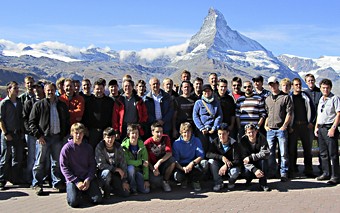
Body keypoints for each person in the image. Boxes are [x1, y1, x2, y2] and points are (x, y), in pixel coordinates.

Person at [29, 82, 70, 195]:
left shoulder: (61, 105)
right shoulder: (39, 105)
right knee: (39, 162)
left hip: (57, 137)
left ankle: (56, 183)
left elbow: (66, 121)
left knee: (56, 162)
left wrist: (63, 134)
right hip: (43, 138)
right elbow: (31, 122)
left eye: (52, 90)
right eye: (48, 90)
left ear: (55, 90)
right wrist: (38, 135)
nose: (50, 92)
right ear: (44, 91)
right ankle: (37, 184)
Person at [59, 123, 102, 207]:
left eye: (81, 133)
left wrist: (88, 179)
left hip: (86, 178)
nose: (78, 135)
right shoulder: (66, 149)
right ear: (72, 133)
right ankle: (75, 192)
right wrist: (76, 182)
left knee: (98, 199)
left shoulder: (88, 148)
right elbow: (64, 167)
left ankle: (84, 192)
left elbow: (92, 165)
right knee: (73, 203)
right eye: (76, 133)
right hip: (73, 179)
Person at [264, 76, 293, 181]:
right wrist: (265, 125)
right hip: (270, 130)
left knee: (283, 152)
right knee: (270, 153)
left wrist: (284, 126)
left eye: (274, 84)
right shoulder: (267, 99)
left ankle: (283, 172)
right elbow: (267, 113)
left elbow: (289, 113)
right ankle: (272, 172)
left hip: (281, 129)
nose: (272, 86)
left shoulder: (285, 97)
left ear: (277, 84)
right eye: (270, 84)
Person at [314, 79, 340, 185]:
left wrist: (333, 128)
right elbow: (319, 115)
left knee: (333, 153)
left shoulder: (335, 98)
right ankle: (326, 173)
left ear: (330, 88)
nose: (325, 89)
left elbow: (339, 114)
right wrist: (316, 127)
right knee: (323, 153)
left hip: (330, 128)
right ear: (320, 88)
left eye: (327, 87)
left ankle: (336, 176)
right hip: (321, 128)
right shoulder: (321, 99)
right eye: (323, 88)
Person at [289, 78, 315, 178]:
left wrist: (311, 122)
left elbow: (312, 109)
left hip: (305, 125)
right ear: (292, 86)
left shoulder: (306, 96)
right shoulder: (290, 97)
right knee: (292, 149)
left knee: (307, 149)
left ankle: (308, 169)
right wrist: (289, 126)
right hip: (294, 126)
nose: (298, 86)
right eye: (296, 85)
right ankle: (293, 169)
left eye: (299, 84)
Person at [0, 81, 25, 190]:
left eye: (17, 88)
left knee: (17, 157)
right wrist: (5, 133)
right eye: (14, 88)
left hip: (18, 133)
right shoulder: (4, 103)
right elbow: (1, 120)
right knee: (5, 157)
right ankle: (1, 179)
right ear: (9, 89)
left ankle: (15, 178)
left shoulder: (19, 102)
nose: (17, 90)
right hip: (8, 133)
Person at [95, 127, 130, 198]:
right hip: (103, 174)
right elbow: (100, 165)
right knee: (107, 173)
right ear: (104, 137)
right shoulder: (99, 147)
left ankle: (114, 189)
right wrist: (116, 169)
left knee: (126, 194)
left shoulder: (118, 147)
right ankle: (106, 190)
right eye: (108, 137)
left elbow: (123, 163)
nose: (110, 140)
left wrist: (124, 181)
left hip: (115, 175)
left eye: (112, 137)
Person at [172, 122, 208, 192]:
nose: (187, 134)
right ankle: (184, 180)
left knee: (205, 163)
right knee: (177, 176)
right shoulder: (176, 143)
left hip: (193, 164)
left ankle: (195, 181)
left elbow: (201, 155)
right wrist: (182, 168)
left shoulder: (196, 140)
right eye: (184, 132)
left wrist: (192, 164)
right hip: (181, 165)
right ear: (181, 133)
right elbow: (175, 160)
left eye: (189, 132)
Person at [206, 123, 241, 191]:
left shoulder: (234, 143)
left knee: (235, 171)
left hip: (231, 166)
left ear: (228, 133)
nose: (222, 136)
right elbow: (208, 154)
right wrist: (221, 157)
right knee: (211, 161)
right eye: (219, 134)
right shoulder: (215, 142)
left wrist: (226, 165)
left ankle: (231, 182)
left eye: (224, 134)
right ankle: (218, 183)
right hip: (219, 165)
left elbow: (238, 160)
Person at [22, 81, 45, 184]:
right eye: (35, 88)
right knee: (32, 157)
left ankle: (42, 178)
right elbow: (25, 119)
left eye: (39, 88)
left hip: (43, 134)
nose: (36, 90)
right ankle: (29, 178)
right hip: (32, 134)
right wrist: (31, 131)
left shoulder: (46, 102)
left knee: (43, 157)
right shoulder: (29, 103)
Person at [82, 79, 114, 149]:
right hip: (92, 131)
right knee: (92, 151)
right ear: (93, 89)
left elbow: (112, 116)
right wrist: (86, 129)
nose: (99, 91)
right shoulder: (89, 101)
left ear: (104, 89)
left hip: (106, 131)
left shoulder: (109, 101)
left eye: (101, 89)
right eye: (97, 89)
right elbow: (85, 116)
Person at [144, 122, 175, 192]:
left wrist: (159, 162)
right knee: (156, 181)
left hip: (162, 164)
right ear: (152, 132)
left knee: (172, 161)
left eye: (161, 132)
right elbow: (146, 160)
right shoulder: (147, 143)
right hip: (151, 166)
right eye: (157, 132)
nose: (160, 134)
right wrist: (153, 169)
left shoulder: (166, 138)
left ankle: (165, 181)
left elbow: (169, 153)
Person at [239, 124, 271, 191]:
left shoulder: (262, 138)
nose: (251, 134)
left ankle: (263, 183)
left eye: (253, 132)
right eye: (249, 132)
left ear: (256, 131)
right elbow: (243, 158)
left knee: (263, 162)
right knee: (245, 171)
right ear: (246, 133)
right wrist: (254, 169)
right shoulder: (243, 141)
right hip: (248, 164)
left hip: (258, 160)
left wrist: (251, 157)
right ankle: (248, 181)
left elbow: (266, 153)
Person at [193, 84, 222, 153]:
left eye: (208, 91)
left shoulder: (216, 102)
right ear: (202, 92)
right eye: (205, 91)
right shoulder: (198, 103)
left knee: (213, 147)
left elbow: (219, 115)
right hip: (202, 130)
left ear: (211, 92)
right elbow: (195, 116)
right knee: (202, 147)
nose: (207, 93)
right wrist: (202, 128)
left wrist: (214, 127)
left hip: (213, 129)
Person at [121, 124, 150, 194]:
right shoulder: (123, 147)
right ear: (128, 135)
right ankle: (133, 188)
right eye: (133, 133)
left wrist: (146, 179)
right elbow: (126, 162)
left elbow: (145, 163)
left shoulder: (142, 146)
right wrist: (140, 162)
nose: (135, 135)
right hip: (128, 172)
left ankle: (138, 184)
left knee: (146, 191)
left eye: (136, 133)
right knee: (131, 168)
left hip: (139, 171)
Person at [304, 73, 323, 173]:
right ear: (306, 82)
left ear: (314, 81)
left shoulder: (320, 92)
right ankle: (308, 168)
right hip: (309, 125)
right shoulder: (304, 93)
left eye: (312, 80)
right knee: (308, 147)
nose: (310, 82)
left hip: (319, 123)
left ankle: (323, 168)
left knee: (322, 147)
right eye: (308, 81)